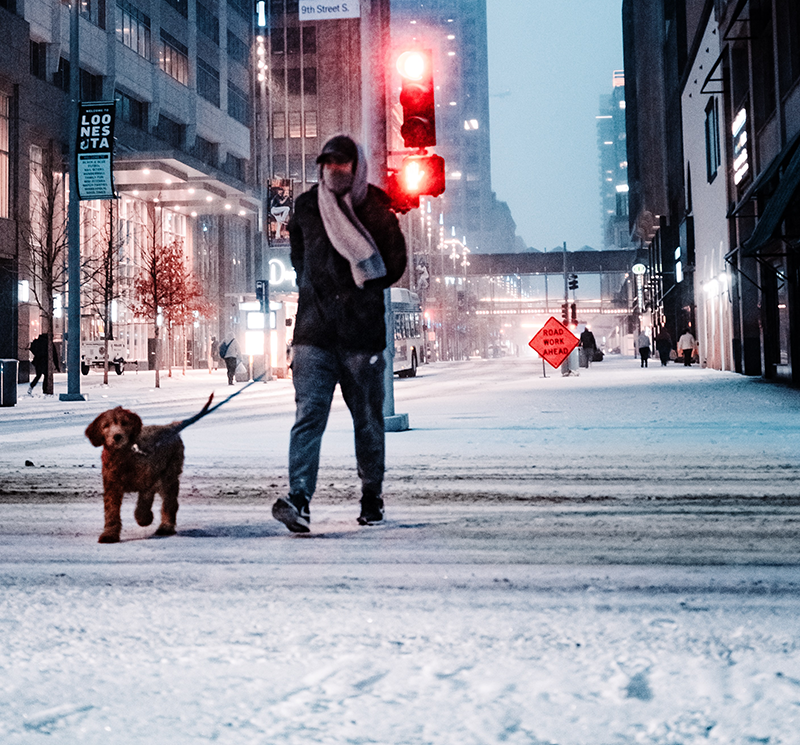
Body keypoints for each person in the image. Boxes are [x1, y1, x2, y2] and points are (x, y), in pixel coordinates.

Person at [271, 135, 407, 533]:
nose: (334, 170)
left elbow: (395, 264)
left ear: (356, 166)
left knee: (367, 420)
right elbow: (299, 258)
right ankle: (299, 499)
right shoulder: (306, 207)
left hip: (360, 336)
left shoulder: (377, 207)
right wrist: (315, 290)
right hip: (314, 333)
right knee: (308, 417)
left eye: (342, 163)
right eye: (328, 163)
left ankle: (371, 497)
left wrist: (359, 285)